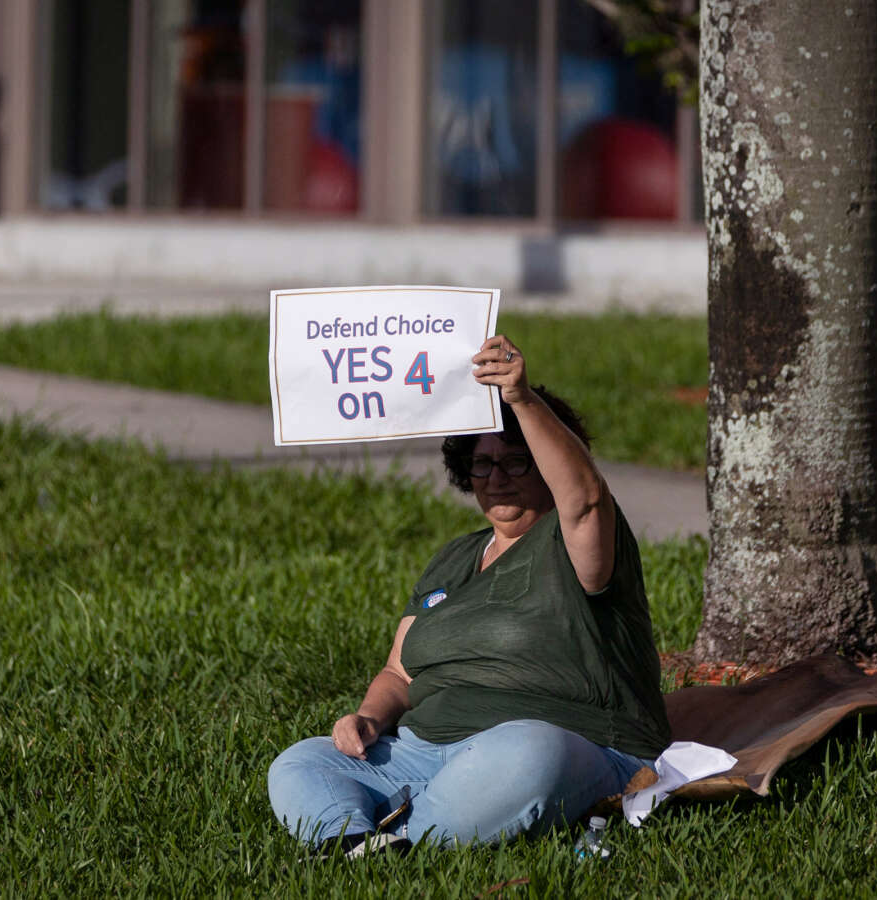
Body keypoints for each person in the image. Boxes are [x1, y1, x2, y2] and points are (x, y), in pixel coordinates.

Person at [267, 335, 671, 854]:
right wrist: (368, 718)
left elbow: (586, 500)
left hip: (572, 742)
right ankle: (348, 839)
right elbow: (399, 673)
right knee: (304, 761)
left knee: (530, 750)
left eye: (516, 462)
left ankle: (407, 839)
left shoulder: (576, 538)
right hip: (424, 749)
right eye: (482, 464)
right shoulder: (454, 558)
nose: (496, 478)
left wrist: (523, 400)